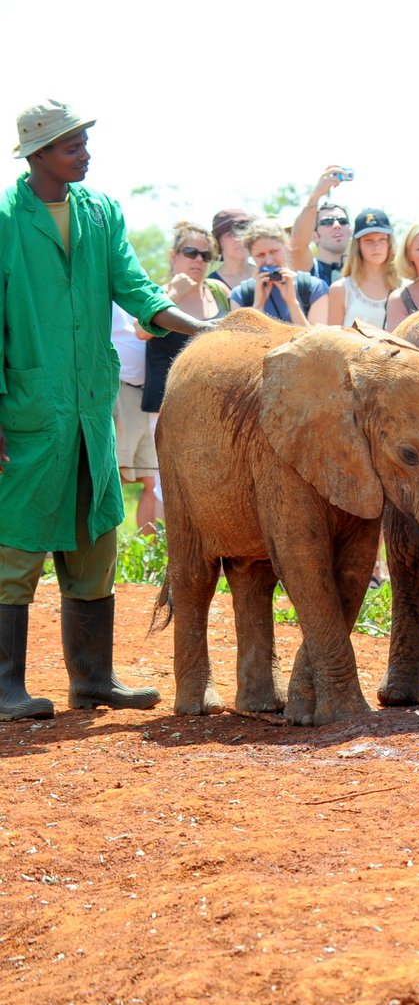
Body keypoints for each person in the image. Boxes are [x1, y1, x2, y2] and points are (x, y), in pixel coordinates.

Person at [1, 99, 219, 721]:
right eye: (73, 146)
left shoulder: (101, 213)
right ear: (39, 153)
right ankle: (5, 687)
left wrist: (200, 329)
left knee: (96, 536)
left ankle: (92, 681)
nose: (86, 154)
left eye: (85, 143)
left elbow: (136, 289)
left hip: (90, 408)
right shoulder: (6, 218)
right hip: (27, 406)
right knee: (16, 544)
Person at [136, 222, 230, 477]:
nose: (198, 260)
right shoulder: (158, 292)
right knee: (165, 482)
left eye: (206, 255)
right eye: (191, 252)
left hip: (214, 402)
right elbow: (141, 331)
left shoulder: (219, 291)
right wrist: (174, 293)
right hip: (167, 402)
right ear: (173, 255)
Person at [110, 303, 158, 532]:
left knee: (151, 480)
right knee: (114, 476)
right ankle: (106, 552)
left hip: (147, 396)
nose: (199, 263)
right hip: (120, 391)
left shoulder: (141, 294)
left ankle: (147, 552)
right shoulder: (102, 294)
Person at [228, 221, 327, 326]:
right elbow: (244, 341)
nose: (269, 260)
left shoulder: (314, 288)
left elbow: (316, 340)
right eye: (260, 255)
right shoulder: (240, 295)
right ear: (252, 257)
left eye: (274, 251)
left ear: (286, 247)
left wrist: (292, 303)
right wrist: (258, 305)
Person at [309, 208, 397, 327]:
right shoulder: (341, 289)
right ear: (358, 245)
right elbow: (334, 340)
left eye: (382, 239)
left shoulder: (404, 287)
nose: (376, 245)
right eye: (368, 240)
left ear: (389, 243)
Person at [289, 165, 353, 285]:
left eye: (343, 221)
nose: (336, 225)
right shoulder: (309, 269)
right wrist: (315, 196)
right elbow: (297, 246)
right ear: (314, 236)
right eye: (327, 222)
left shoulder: (363, 271)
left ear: (351, 231)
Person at [209, 207, 255, 290]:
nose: (239, 239)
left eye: (243, 231)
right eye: (230, 235)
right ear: (218, 242)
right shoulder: (211, 285)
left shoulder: (266, 275)